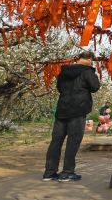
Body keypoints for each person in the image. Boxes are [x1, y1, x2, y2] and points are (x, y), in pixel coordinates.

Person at [43, 51, 100, 181]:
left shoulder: (64, 71)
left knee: (56, 141)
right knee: (73, 141)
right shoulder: (87, 72)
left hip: (62, 109)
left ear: (78, 58)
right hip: (78, 110)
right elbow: (95, 87)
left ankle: (49, 172)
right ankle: (67, 172)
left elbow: (59, 88)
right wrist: (91, 72)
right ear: (90, 59)